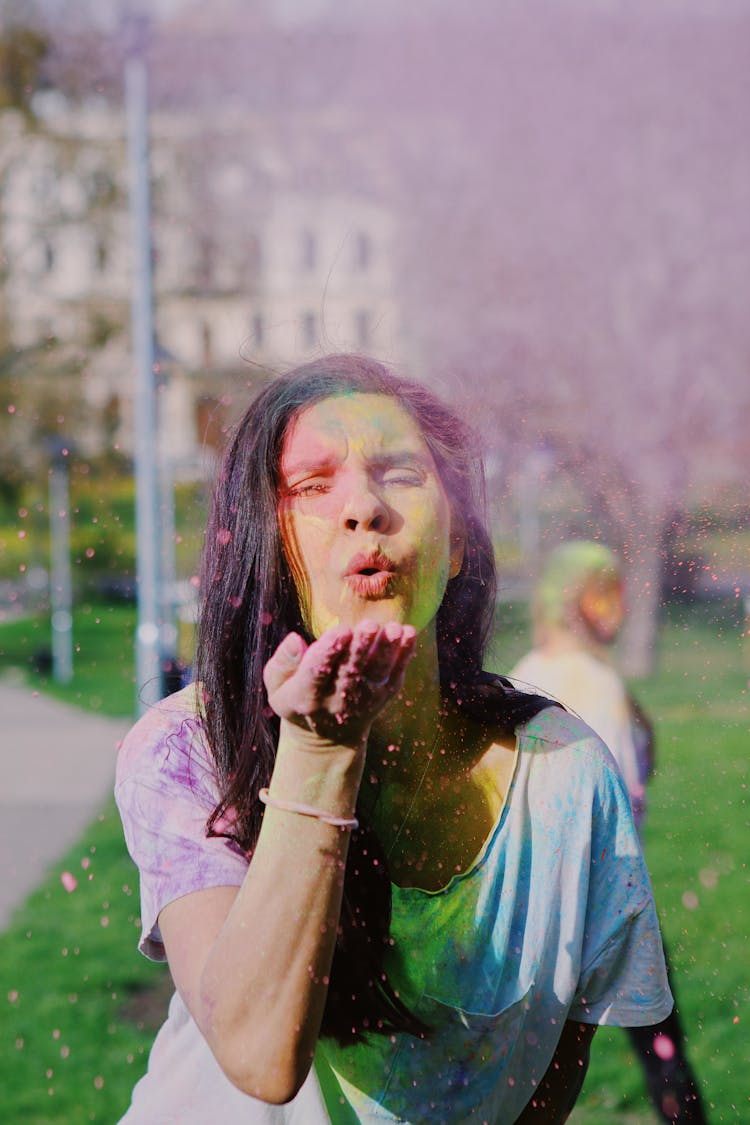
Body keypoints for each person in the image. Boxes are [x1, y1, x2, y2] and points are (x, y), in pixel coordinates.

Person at [115, 355, 673, 1123]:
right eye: (313, 485)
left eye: (400, 472)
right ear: (270, 549)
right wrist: (322, 750)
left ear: (460, 544)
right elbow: (260, 1054)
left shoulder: (567, 774)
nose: (363, 506)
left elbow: (541, 1085)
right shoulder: (189, 746)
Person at [511, 540, 708, 1123]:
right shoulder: (598, 685)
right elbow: (619, 802)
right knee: (662, 1054)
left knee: (526, 1078)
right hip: (610, 900)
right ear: (588, 601)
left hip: (529, 907)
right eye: (612, 592)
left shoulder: (522, 673)